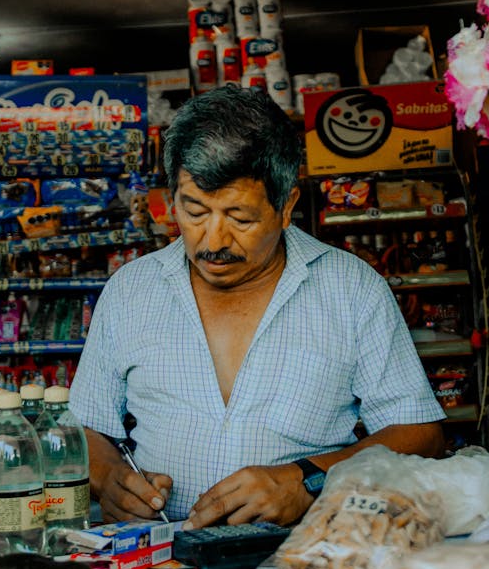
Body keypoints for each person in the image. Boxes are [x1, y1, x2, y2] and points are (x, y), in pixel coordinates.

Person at [69, 85, 445, 530]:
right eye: (194, 212)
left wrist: (308, 480)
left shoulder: (351, 289)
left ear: (286, 207)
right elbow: (84, 428)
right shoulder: (131, 291)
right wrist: (109, 479)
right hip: (157, 554)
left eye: (240, 218)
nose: (213, 241)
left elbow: (421, 434)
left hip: (302, 551)